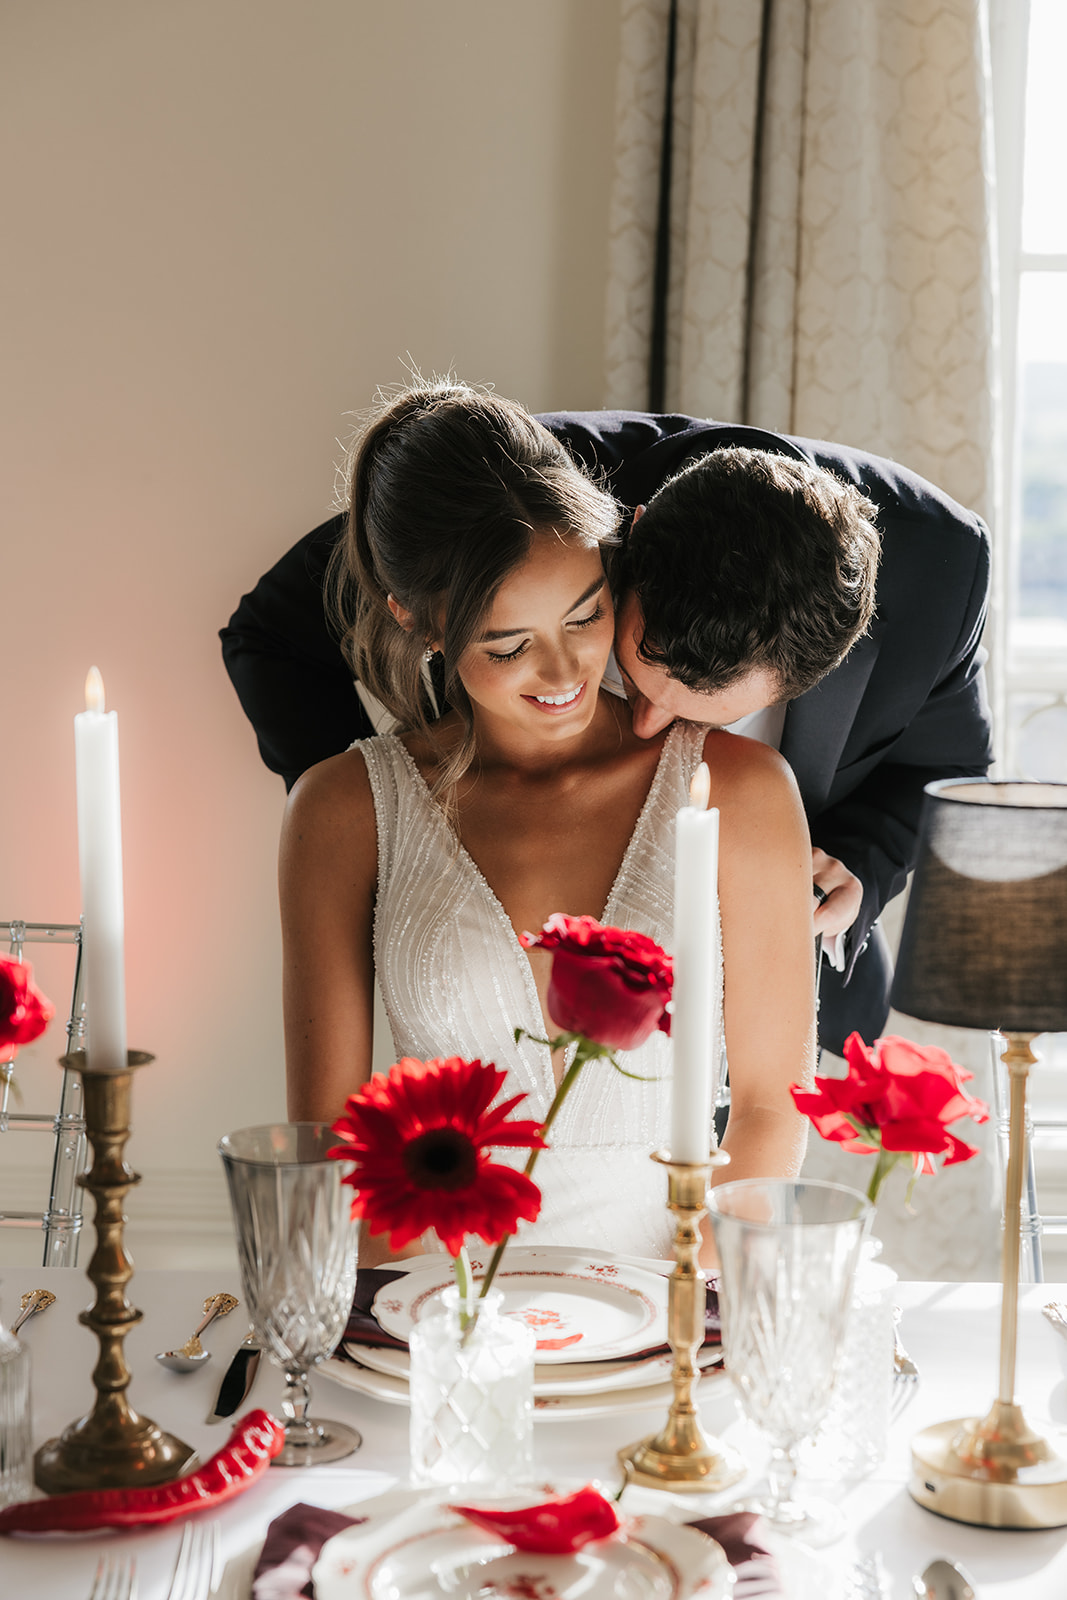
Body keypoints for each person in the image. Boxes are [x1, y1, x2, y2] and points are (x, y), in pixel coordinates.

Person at [222, 408, 993, 1056]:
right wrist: (382, 831)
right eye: (637, 675)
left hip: (774, 1009)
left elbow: (944, 766)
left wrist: (856, 861)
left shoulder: (941, 569)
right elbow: (271, 632)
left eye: (703, 717)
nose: (652, 728)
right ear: (629, 541)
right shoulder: (525, 500)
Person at [279, 383, 815, 1263]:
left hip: (670, 1307)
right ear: (415, 621)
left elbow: (767, 1106)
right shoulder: (341, 810)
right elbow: (332, 1149)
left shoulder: (739, 790)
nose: (564, 669)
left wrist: (686, 1312)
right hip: (432, 1309)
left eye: (587, 614)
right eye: (507, 644)